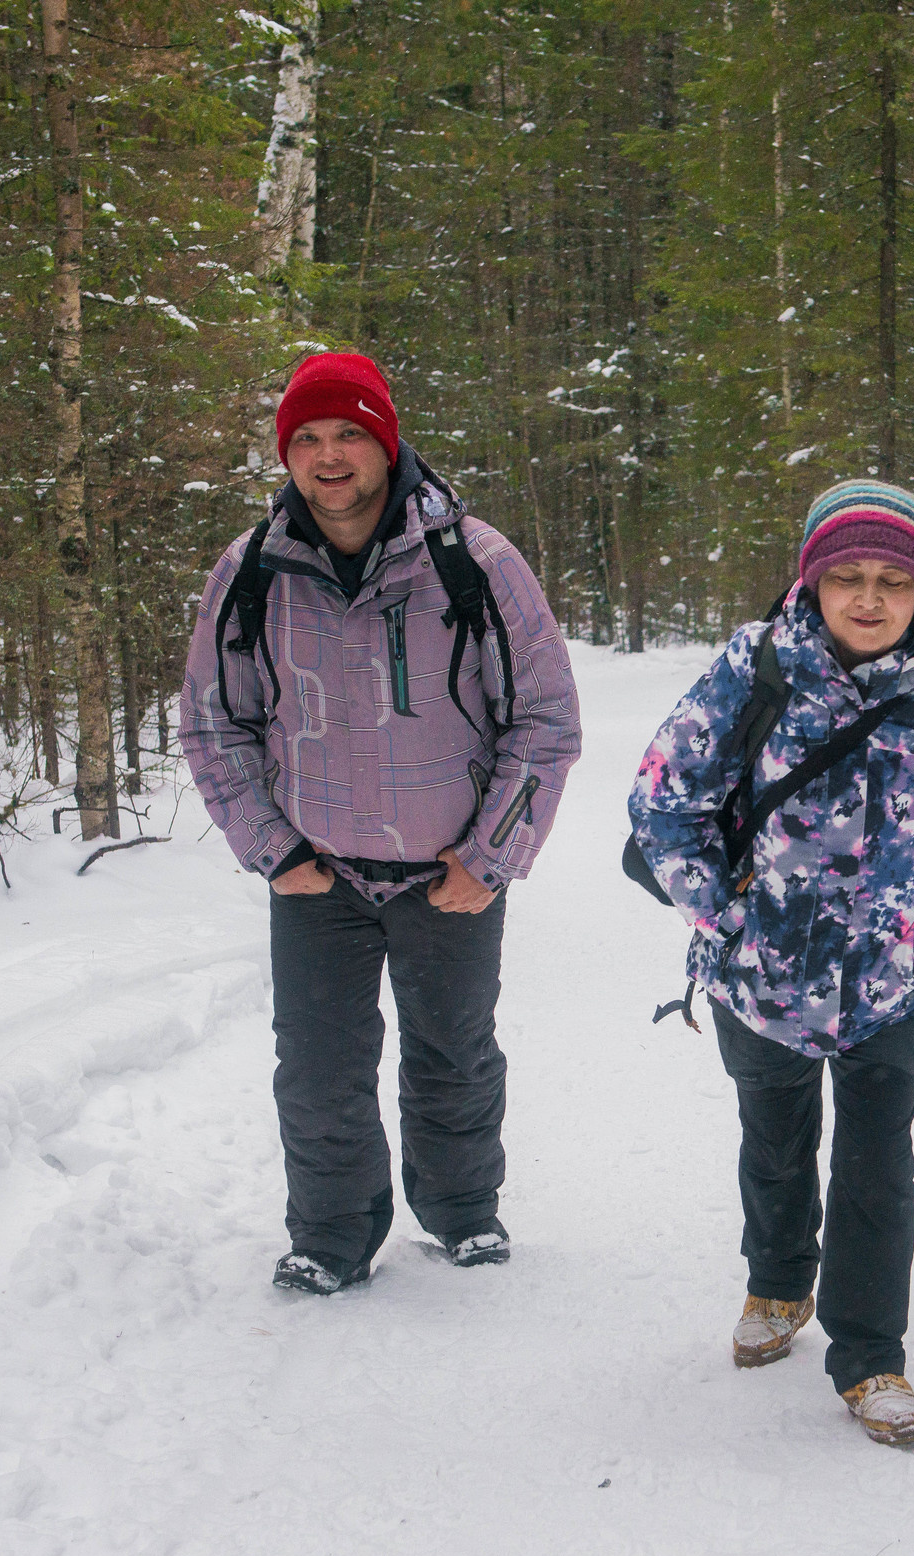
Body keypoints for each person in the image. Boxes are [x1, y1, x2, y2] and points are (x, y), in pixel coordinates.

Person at [630, 480, 914, 1447]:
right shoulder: (755, 668)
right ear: (811, 582)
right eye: (846, 575)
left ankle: (869, 1350)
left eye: (893, 579)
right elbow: (661, 800)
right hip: (759, 980)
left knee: (876, 1163)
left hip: (891, 991)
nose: (868, 596)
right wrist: (725, 920)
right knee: (773, 1137)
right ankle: (777, 1282)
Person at [181, 352, 582, 1293]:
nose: (329, 456)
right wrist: (271, 850)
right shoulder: (250, 573)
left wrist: (491, 859)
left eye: (349, 434)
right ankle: (330, 1234)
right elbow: (213, 721)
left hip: (449, 872)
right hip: (317, 874)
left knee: (453, 1051)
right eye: (308, 439)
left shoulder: (474, 561)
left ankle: (461, 1211)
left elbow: (547, 720)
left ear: (385, 441)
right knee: (317, 1070)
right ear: (288, 454)